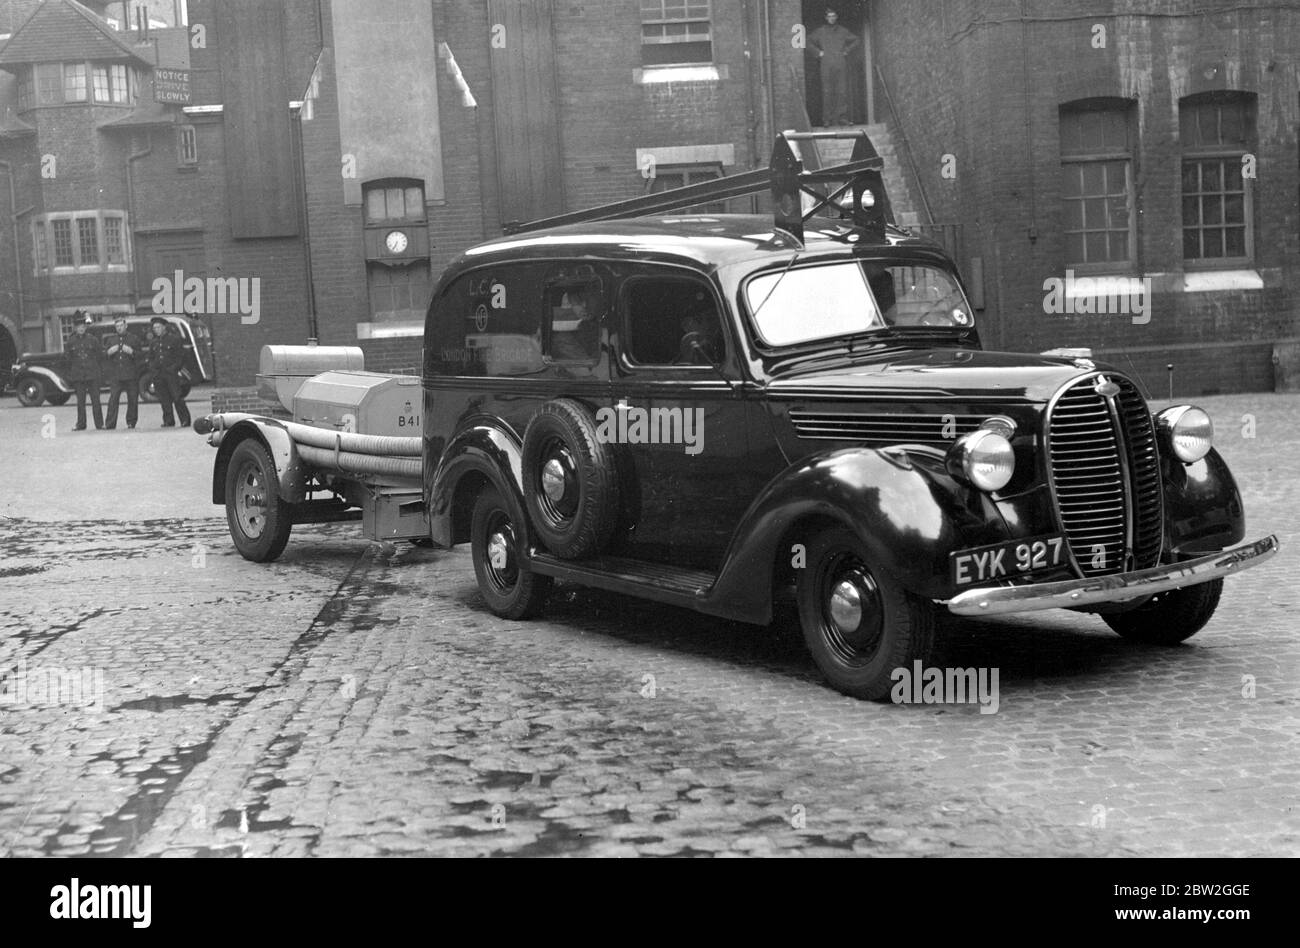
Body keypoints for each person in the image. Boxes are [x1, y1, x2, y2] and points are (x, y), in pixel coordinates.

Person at [809, 8, 859, 127]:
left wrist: (847, 50)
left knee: (842, 91)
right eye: (829, 16)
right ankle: (827, 119)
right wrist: (818, 52)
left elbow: (856, 40)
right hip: (826, 64)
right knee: (827, 92)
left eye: (834, 16)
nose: (832, 18)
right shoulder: (820, 31)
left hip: (840, 63)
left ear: (836, 17)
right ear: (826, 18)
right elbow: (807, 41)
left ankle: (842, 118)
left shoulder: (843, 31)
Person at [146, 317, 191, 428]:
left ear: (164, 327)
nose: (156, 330)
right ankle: (168, 420)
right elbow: (151, 358)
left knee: (177, 397)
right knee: (164, 399)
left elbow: (180, 356)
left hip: (171, 373)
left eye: (158, 327)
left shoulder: (174, 339)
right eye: (154, 328)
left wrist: (174, 368)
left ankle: (185, 420)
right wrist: (153, 370)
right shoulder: (154, 342)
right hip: (159, 374)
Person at [66, 312, 104, 431]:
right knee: (80, 402)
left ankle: (99, 424)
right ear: (76, 328)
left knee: (96, 401)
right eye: (79, 327)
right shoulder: (71, 341)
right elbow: (68, 359)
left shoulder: (93, 340)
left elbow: (99, 356)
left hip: (92, 375)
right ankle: (81, 424)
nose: (81, 329)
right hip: (78, 376)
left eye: (83, 327)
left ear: (85, 327)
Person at [103, 317, 142, 430]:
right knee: (113, 399)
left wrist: (132, 352)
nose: (119, 328)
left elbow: (141, 356)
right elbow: (104, 356)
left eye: (121, 326)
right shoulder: (111, 340)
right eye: (117, 326)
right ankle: (110, 423)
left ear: (126, 326)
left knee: (132, 399)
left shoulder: (134, 339)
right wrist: (108, 352)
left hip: (131, 374)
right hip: (116, 375)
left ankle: (131, 422)